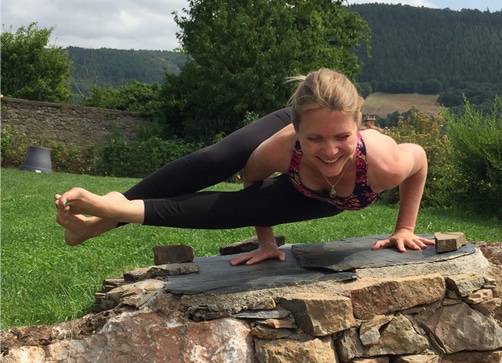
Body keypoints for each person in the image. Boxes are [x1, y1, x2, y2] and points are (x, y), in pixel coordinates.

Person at [55, 68, 434, 266]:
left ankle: (103, 218)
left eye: (342, 138)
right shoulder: (281, 148)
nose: (331, 151)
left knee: (243, 207)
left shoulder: (383, 163)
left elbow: (419, 162)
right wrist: (265, 241)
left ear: (360, 126)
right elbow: (252, 188)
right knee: (215, 161)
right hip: (295, 158)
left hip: (329, 190)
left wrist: (404, 228)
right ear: (296, 131)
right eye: (316, 139)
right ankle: (108, 213)